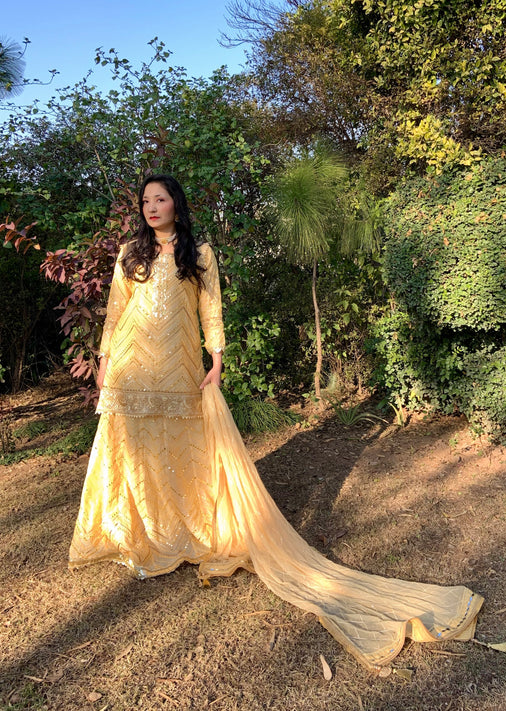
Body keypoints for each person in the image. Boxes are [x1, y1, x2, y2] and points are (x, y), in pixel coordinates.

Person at [69, 174, 483, 671]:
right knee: (134, 446)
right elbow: (116, 312)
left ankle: (180, 531)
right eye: (145, 201)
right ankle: (137, 535)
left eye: (160, 199)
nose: (152, 207)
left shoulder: (198, 253)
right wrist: (106, 359)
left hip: (179, 364)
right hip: (132, 365)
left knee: (178, 447)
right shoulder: (128, 254)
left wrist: (216, 359)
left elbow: (210, 308)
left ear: (176, 203)